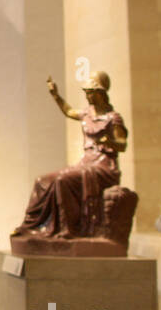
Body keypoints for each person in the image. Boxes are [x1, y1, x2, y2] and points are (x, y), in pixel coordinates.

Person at [12, 71, 127, 239]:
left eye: (90, 92)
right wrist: (56, 95)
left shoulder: (113, 118)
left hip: (103, 166)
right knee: (41, 181)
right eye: (86, 92)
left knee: (62, 180)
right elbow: (69, 112)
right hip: (86, 162)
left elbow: (122, 144)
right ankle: (32, 226)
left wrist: (109, 142)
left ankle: (67, 228)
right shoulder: (87, 114)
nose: (87, 96)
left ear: (100, 93)